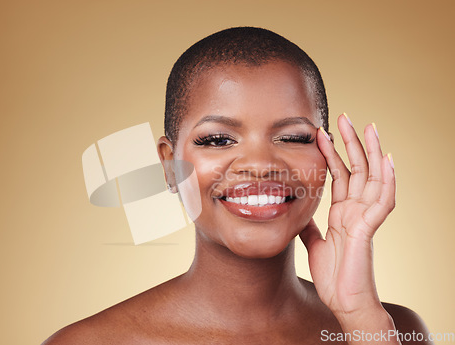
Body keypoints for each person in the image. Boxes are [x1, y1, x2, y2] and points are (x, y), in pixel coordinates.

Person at [43, 27, 432, 344]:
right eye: (217, 139)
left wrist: (359, 315)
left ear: (328, 156)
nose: (260, 165)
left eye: (293, 138)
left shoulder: (393, 329)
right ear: (169, 164)